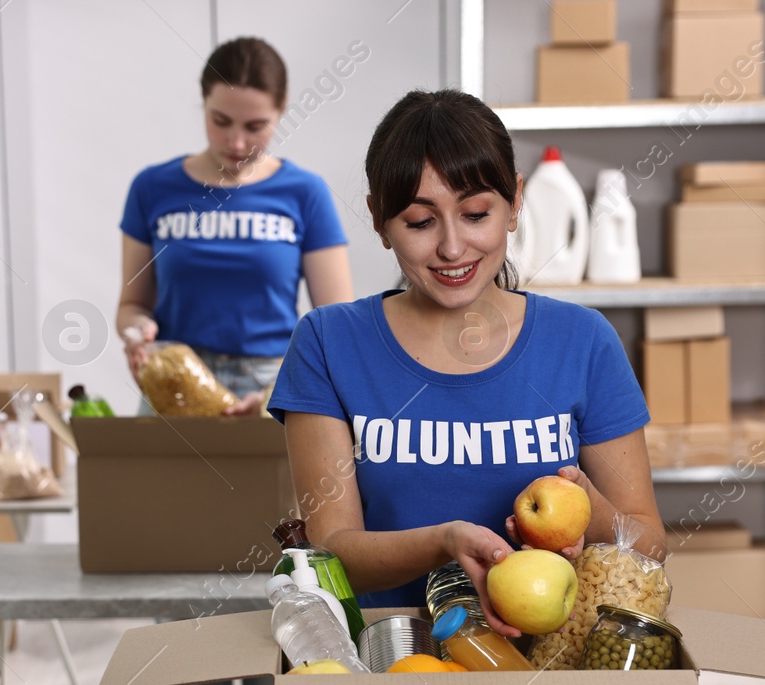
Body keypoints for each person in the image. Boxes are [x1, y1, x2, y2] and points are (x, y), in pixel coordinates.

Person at [267, 88, 663, 630]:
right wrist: (445, 542)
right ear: (380, 221)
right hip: (391, 660)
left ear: (516, 204)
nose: (453, 248)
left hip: (551, 663)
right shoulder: (328, 344)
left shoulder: (584, 340)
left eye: (476, 213)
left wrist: (589, 512)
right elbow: (333, 554)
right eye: (419, 222)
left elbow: (651, 548)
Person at [115, 37, 353, 685]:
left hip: (272, 407)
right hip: (179, 403)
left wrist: (288, 386)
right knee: (189, 615)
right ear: (203, 106)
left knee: (272, 613)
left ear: (279, 117)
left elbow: (338, 326)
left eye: (254, 125)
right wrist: (136, 335)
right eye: (222, 120)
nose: (236, 139)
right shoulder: (154, 188)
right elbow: (132, 307)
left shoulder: (304, 193)